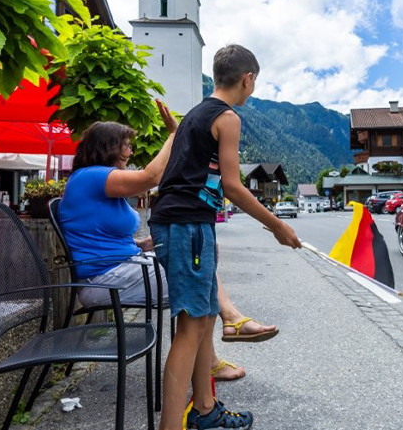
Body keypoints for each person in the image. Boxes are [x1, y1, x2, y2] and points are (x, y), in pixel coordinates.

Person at [57, 101, 272, 383]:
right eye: (126, 145)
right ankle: (220, 339)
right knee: (197, 274)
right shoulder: (90, 178)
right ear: (108, 147)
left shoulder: (99, 183)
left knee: (200, 257)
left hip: (121, 268)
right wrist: (174, 134)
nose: (130, 152)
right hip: (103, 280)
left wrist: (141, 245)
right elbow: (151, 177)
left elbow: (99, 236)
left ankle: (222, 334)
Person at [151, 45, 302, 430]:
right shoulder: (227, 118)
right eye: (255, 82)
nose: (253, 88)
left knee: (202, 320)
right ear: (247, 79)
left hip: (181, 224)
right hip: (187, 225)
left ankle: (205, 410)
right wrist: (277, 225)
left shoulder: (195, 115)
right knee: (190, 330)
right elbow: (233, 186)